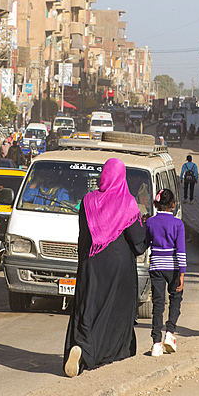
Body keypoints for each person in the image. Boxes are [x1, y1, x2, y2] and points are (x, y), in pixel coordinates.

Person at [63, 158, 147, 377]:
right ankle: (113, 354)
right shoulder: (127, 203)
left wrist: (84, 264)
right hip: (118, 268)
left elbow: (83, 236)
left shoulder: (88, 201)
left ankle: (82, 348)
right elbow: (138, 243)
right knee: (116, 310)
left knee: (89, 307)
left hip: (91, 263)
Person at [144, 189, 186, 357]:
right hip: (174, 268)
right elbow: (181, 251)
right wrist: (182, 273)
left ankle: (156, 343)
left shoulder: (150, 223)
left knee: (158, 304)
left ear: (155, 204)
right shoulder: (178, 224)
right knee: (175, 299)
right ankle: (170, 333)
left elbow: (145, 243)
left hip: (156, 267)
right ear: (173, 205)